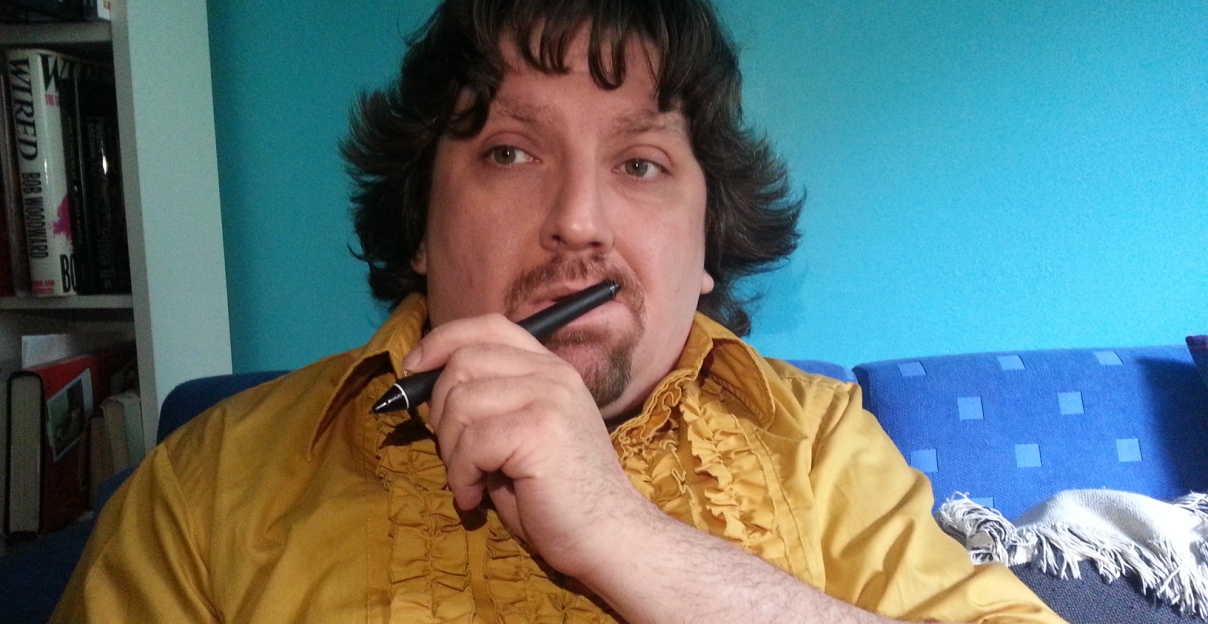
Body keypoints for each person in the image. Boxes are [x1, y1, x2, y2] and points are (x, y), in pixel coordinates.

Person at [54, 0, 1067, 622]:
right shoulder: (206, 487)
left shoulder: (822, 445)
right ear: (418, 224)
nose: (578, 221)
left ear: (704, 247)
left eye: (641, 163)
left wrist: (622, 533)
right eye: (509, 152)